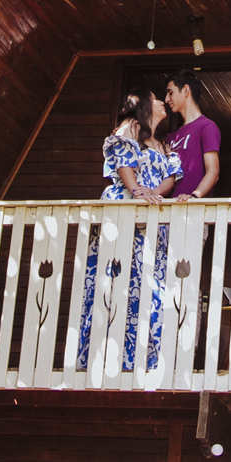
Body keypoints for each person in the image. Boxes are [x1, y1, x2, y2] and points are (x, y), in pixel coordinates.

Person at [77, 90, 181, 372]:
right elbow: (123, 160)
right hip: (125, 205)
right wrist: (136, 190)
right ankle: (103, 358)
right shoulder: (131, 127)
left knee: (147, 284)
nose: (162, 101)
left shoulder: (164, 145)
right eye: (156, 98)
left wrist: (153, 195)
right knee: (117, 280)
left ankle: (139, 361)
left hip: (151, 214)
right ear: (145, 106)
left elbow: (170, 179)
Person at [165, 69, 221, 201]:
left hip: (193, 209)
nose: (166, 99)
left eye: (170, 93)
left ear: (186, 90)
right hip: (167, 209)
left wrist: (195, 197)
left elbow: (213, 171)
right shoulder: (170, 137)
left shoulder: (206, 126)